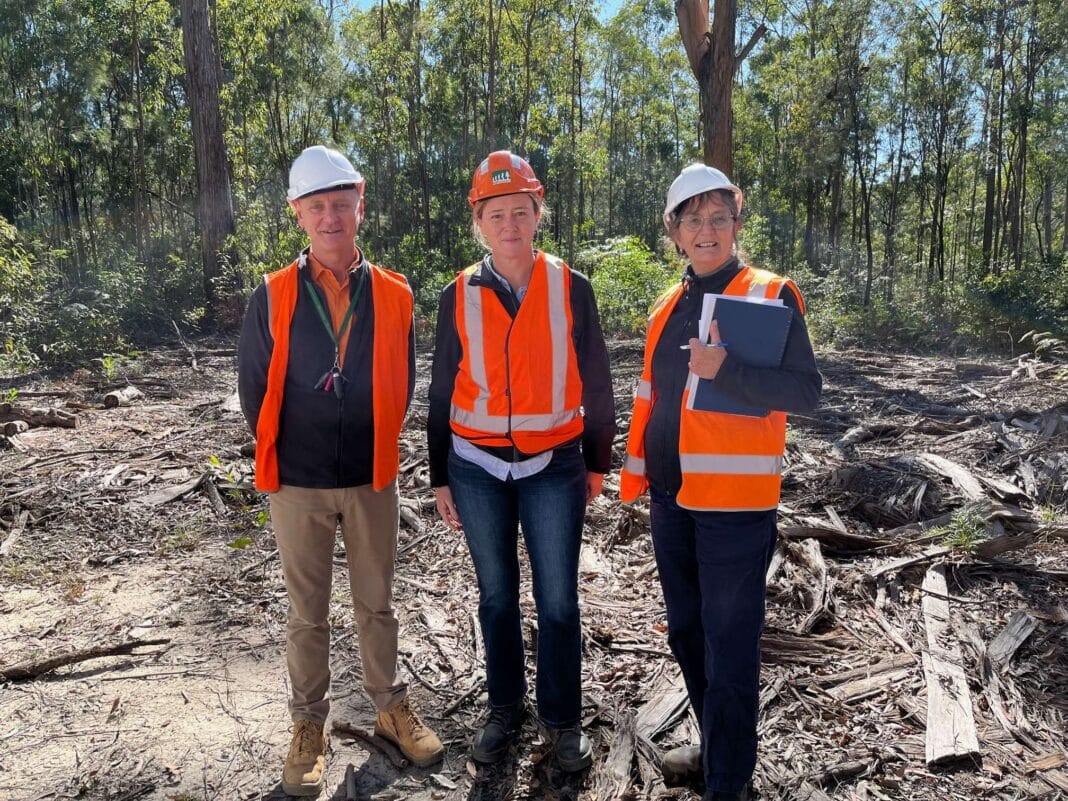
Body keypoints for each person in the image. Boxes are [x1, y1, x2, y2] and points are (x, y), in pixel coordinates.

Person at [238, 145, 443, 797]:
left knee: (376, 603)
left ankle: (389, 706)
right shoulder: (270, 295)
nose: (331, 217)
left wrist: (364, 442)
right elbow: (252, 391)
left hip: (370, 477)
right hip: (297, 482)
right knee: (307, 612)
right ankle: (308, 725)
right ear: (298, 214)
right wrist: (300, 450)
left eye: (341, 203)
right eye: (317, 206)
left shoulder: (395, 293)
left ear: (361, 205)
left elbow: (403, 383)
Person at [620, 164, 822, 801]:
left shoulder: (769, 293)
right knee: (685, 630)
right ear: (674, 232)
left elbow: (805, 391)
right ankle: (717, 744)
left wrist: (728, 368)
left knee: (729, 645)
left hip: (735, 507)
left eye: (718, 218)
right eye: (693, 220)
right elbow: (655, 397)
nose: (706, 230)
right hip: (672, 499)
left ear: (736, 223)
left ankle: (729, 781)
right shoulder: (664, 307)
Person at [427, 151, 615, 771]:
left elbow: (596, 379)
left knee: (559, 600)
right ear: (478, 222)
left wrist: (596, 462)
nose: (509, 223)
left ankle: (561, 720)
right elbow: (440, 389)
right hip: (475, 467)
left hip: (554, 467)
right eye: (495, 213)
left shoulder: (571, 286)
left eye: (520, 211)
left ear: (538, 215)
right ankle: (504, 710)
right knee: (497, 597)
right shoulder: (457, 293)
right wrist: (438, 474)